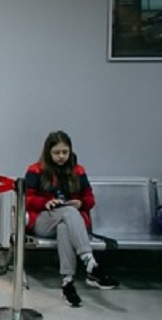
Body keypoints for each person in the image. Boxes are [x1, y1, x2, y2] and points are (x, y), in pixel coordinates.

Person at [25, 131, 120, 307]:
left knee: (64, 226)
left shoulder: (78, 171)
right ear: (48, 152)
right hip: (43, 220)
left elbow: (90, 199)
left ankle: (67, 282)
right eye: (56, 153)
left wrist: (81, 203)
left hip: (69, 221)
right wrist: (45, 202)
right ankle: (90, 264)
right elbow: (26, 199)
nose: (61, 156)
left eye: (65, 152)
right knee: (68, 212)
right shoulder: (35, 170)